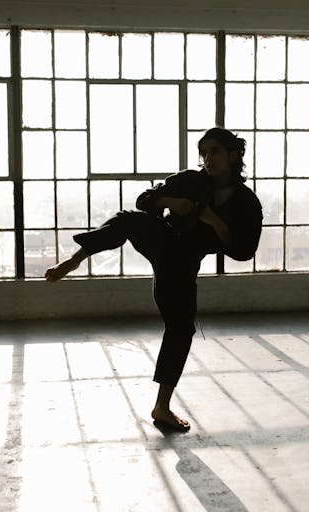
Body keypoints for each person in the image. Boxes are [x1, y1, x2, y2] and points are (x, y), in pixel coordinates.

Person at [45, 127, 263, 431]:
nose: (208, 158)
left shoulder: (247, 203)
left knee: (181, 330)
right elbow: (144, 199)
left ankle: (162, 407)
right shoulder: (191, 180)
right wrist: (170, 202)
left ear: (234, 154)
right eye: (204, 152)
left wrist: (214, 221)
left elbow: (243, 251)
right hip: (163, 239)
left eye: (215, 151)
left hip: (183, 264)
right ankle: (75, 259)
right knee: (129, 220)